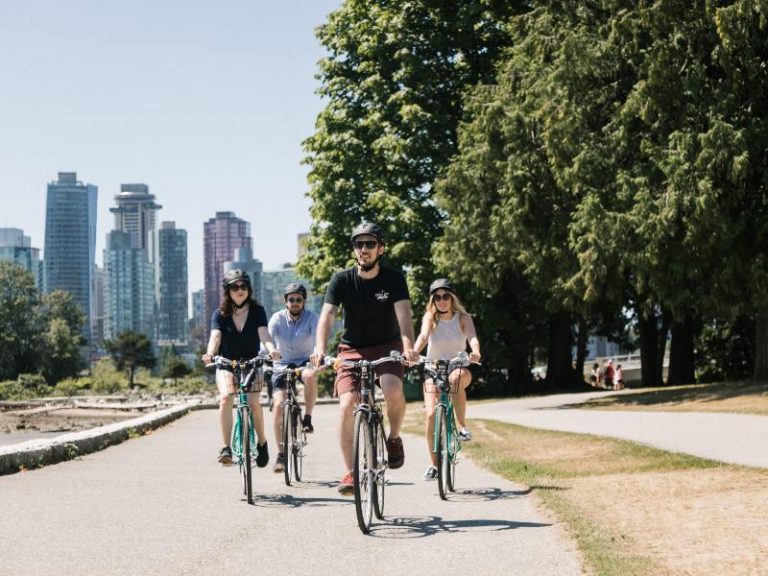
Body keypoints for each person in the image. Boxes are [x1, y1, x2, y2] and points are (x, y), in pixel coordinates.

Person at [310, 222, 419, 495]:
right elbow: (327, 316)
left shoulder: (394, 279)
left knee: (393, 390)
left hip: (387, 346)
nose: (364, 249)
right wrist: (320, 347)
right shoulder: (341, 280)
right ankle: (350, 472)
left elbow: (404, 318)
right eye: (359, 244)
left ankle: (393, 438)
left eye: (370, 244)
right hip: (351, 349)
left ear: (380, 248)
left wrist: (409, 347)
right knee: (347, 404)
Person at [202, 269, 280, 466]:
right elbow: (215, 336)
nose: (240, 290)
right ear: (227, 291)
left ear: (249, 289)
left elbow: (264, 334)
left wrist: (271, 350)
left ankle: (262, 443)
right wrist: (210, 353)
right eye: (235, 287)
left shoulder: (257, 311)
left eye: (244, 286)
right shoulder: (219, 314)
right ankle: (225, 447)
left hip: (252, 363)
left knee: (254, 403)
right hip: (227, 364)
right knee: (226, 397)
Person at [413, 279, 481, 481]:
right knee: (431, 414)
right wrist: (414, 353)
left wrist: (475, 351)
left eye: (445, 296)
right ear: (433, 300)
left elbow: (472, 337)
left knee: (455, 380)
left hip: (457, 365)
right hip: (433, 368)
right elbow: (423, 336)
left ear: (452, 298)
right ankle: (434, 464)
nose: (441, 301)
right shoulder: (430, 317)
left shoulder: (463, 317)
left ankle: (461, 427)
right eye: (437, 297)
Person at [268, 282, 320, 473]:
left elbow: (317, 340)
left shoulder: (312, 317)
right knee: (280, 405)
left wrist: (317, 354)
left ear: (304, 301)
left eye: (299, 299)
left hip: (304, 362)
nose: (295, 303)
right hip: (281, 364)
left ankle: (307, 418)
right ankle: (281, 455)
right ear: (285, 301)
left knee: (311, 375)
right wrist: (267, 352)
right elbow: (267, 339)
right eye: (291, 299)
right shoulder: (277, 318)